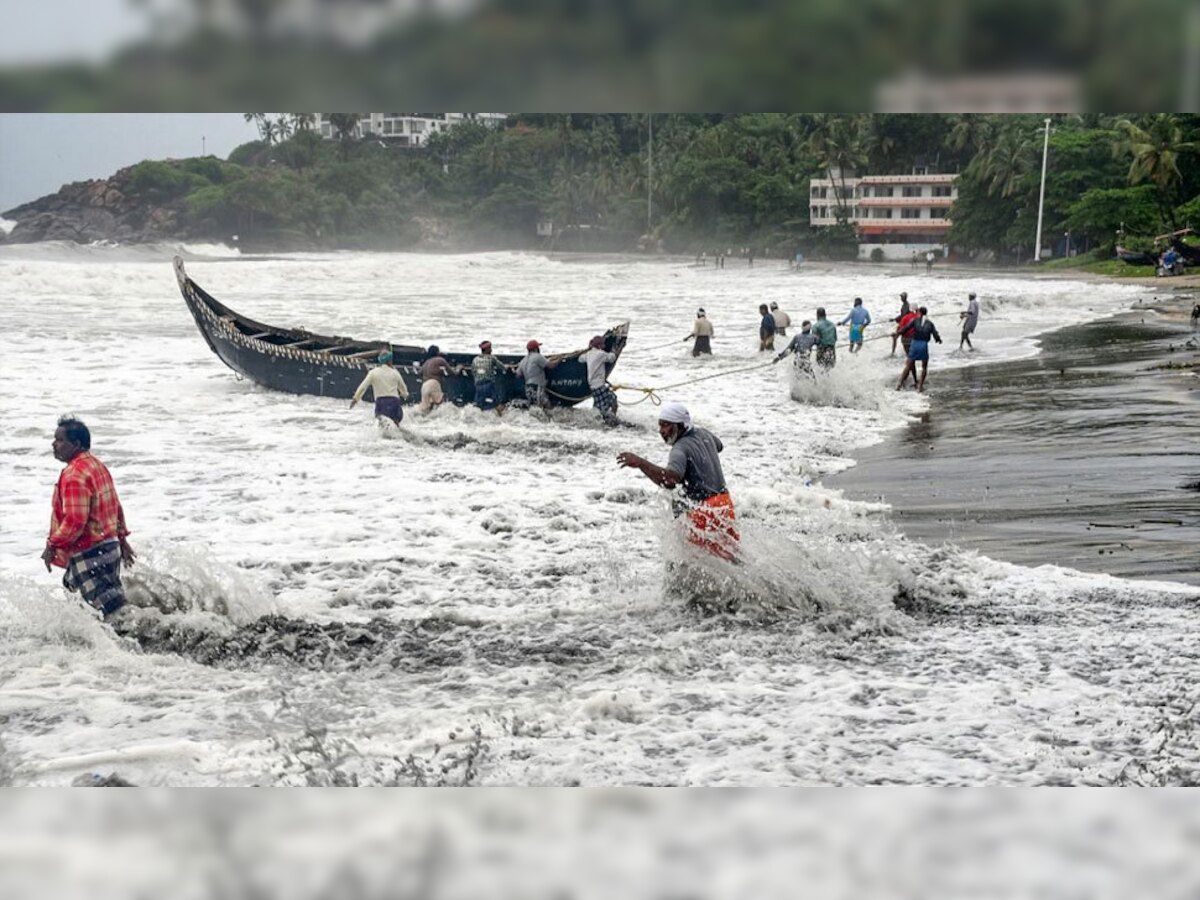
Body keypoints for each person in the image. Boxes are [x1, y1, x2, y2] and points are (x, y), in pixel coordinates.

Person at [616, 401, 738, 561]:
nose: (662, 431)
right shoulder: (705, 434)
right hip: (724, 505)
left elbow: (670, 480)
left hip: (704, 512)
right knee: (730, 559)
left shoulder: (680, 449)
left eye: (666, 426)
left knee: (696, 564)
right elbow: (719, 446)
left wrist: (640, 463)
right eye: (660, 426)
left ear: (680, 426)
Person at [42, 415, 136, 618]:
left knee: (110, 613)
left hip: (90, 551)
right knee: (75, 590)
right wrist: (121, 538)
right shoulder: (96, 465)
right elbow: (115, 504)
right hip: (109, 547)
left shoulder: (74, 474)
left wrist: (52, 544)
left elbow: (75, 521)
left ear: (76, 444)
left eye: (60, 440)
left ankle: (138, 641)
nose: (54, 444)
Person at [350, 350, 409, 426]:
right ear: (390, 361)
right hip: (394, 402)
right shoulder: (395, 373)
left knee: (382, 425)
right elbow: (403, 388)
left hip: (381, 403)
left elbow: (362, 387)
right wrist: (405, 395)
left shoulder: (373, 373)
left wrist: (355, 399)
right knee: (396, 425)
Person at [896, 306, 943, 392]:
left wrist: (897, 333)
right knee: (924, 367)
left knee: (908, 364)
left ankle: (899, 384)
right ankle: (920, 387)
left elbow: (905, 328)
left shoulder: (914, 320)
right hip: (923, 345)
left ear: (919, 313)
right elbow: (935, 334)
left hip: (915, 344)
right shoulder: (930, 323)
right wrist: (939, 340)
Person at [581, 335, 619, 425]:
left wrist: (588, 348)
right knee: (613, 399)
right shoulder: (600, 354)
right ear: (599, 345)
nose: (604, 346)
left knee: (599, 406)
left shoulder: (588, 354)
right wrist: (614, 349)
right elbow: (612, 358)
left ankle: (598, 420)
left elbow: (580, 359)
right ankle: (612, 419)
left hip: (593, 385)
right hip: (598, 385)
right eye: (603, 344)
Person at [516, 339, 559, 409]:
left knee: (535, 408)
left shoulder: (523, 361)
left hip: (528, 389)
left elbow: (518, 374)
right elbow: (550, 365)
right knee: (547, 407)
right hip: (537, 387)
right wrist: (560, 360)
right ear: (536, 349)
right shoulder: (538, 356)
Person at [471, 340, 510, 412]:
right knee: (498, 405)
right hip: (488, 385)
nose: (491, 350)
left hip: (478, 386)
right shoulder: (491, 358)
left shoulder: (475, 360)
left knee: (478, 407)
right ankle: (501, 418)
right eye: (490, 348)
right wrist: (507, 367)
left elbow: (473, 372)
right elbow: (502, 368)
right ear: (487, 350)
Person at [893, 306, 921, 385]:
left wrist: (896, 335)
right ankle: (901, 383)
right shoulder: (917, 318)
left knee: (911, 361)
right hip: (913, 341)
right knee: (910, 361)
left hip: (904, 341)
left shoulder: (905, 318)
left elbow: (900, 328)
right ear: (916, 310)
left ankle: (915, 380)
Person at [890, 291, 911, 356]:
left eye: (902, 297)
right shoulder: (904, 305)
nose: (901, 298)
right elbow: (902, 315)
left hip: (904, 324)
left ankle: (893, 352)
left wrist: (895, 319)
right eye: (901, 297)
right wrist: (894, 319)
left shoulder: (907, 305)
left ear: (905, 297)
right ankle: (893, 352)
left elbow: (903, 316)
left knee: (895, 337)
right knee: (895, 337)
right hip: (902, 323)